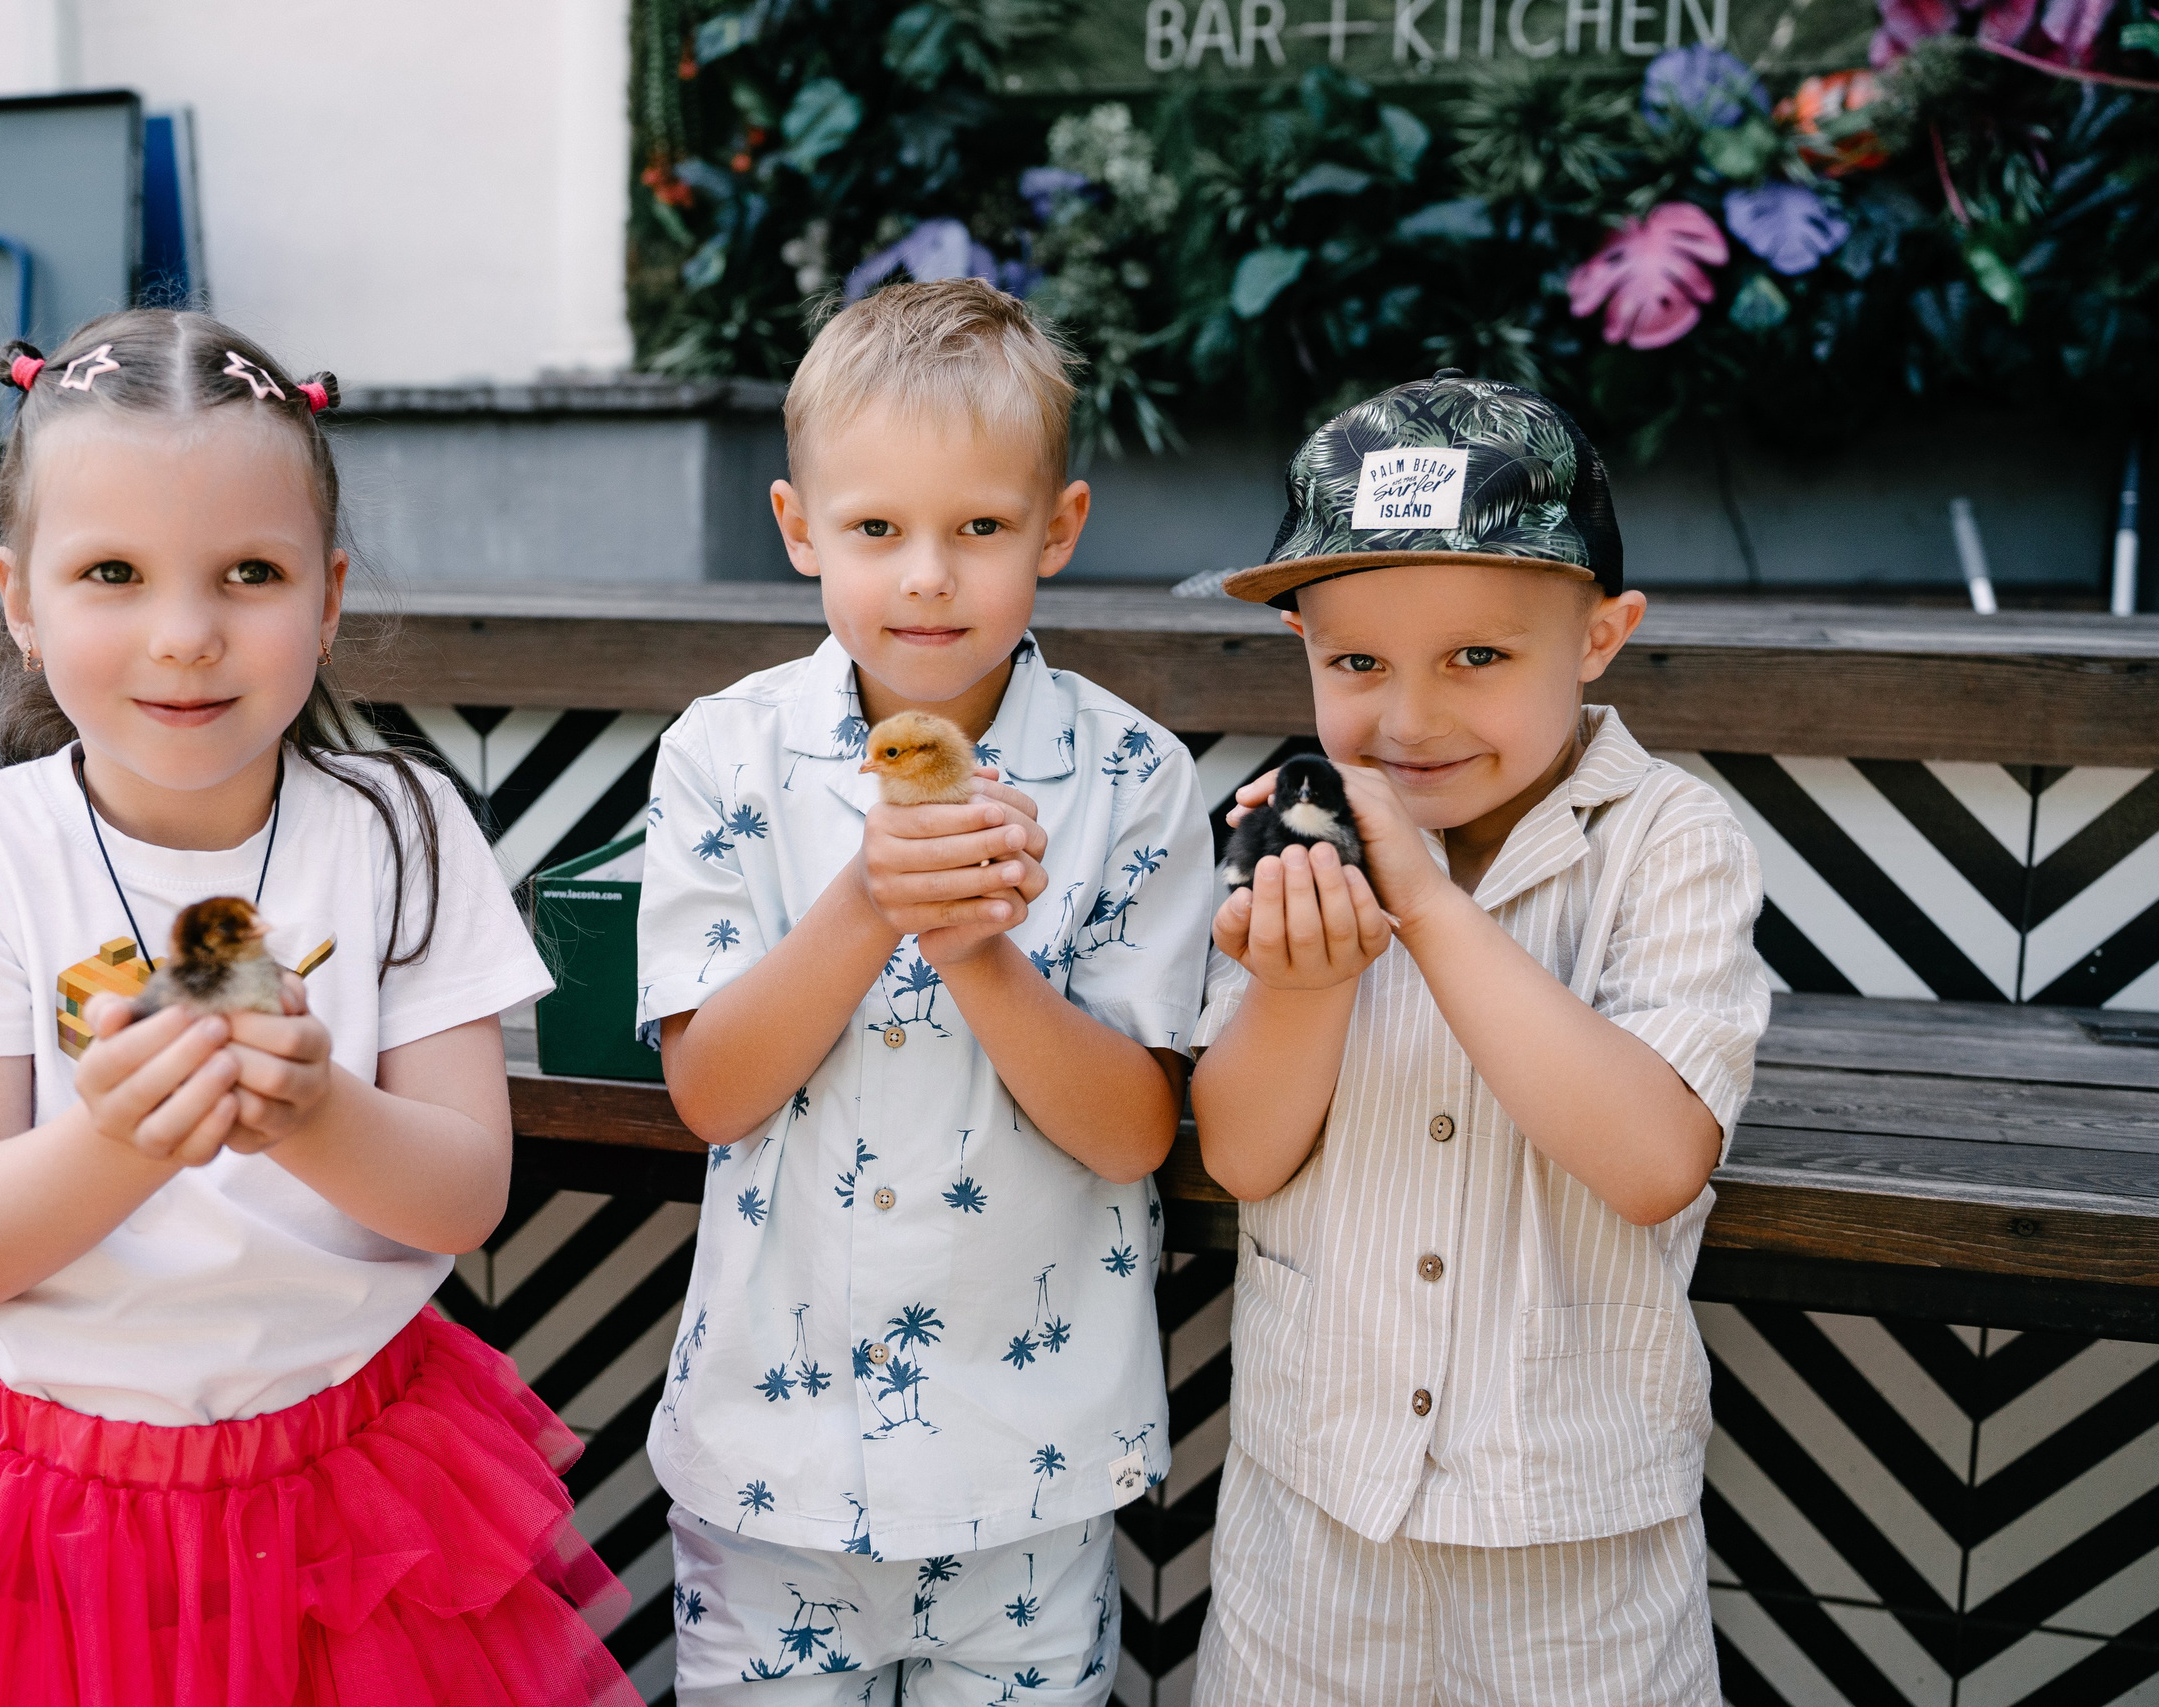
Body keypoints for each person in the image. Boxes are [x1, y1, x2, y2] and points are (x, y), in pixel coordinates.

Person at [0, 310, 637, 1707]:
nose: (186, 635)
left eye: (248, 574)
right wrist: (124, 1139)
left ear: (326, 596)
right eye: (114, 575)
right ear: (21, 600)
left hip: (357, 1500)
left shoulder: (402, 827)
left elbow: (463, 1197)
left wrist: (314, 1113)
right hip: (40, 1509)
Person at [633, 280, 1213, 1702]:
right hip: (774, 1454)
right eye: (877, 530)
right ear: (799, 530)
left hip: (1029, 1459)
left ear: (1058, 531)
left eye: (981, 530)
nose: (927, 579)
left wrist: (977, 952)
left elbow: (1134, 1131)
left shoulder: (1134, 778)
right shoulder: (730, 755)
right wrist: (870, 898)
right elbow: (713, 1093)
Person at [1186, 371, 1768, 1705]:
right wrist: (1303, 985)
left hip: (1575, 1536)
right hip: (1315, 1520)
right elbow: (1244, 1152)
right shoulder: (1296, 831)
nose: (1409, 718)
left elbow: (1653, 1160)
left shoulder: (1672, 845)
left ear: (1602, 637)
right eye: (1357, 663)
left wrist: (1430, 909)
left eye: (1480, 657)